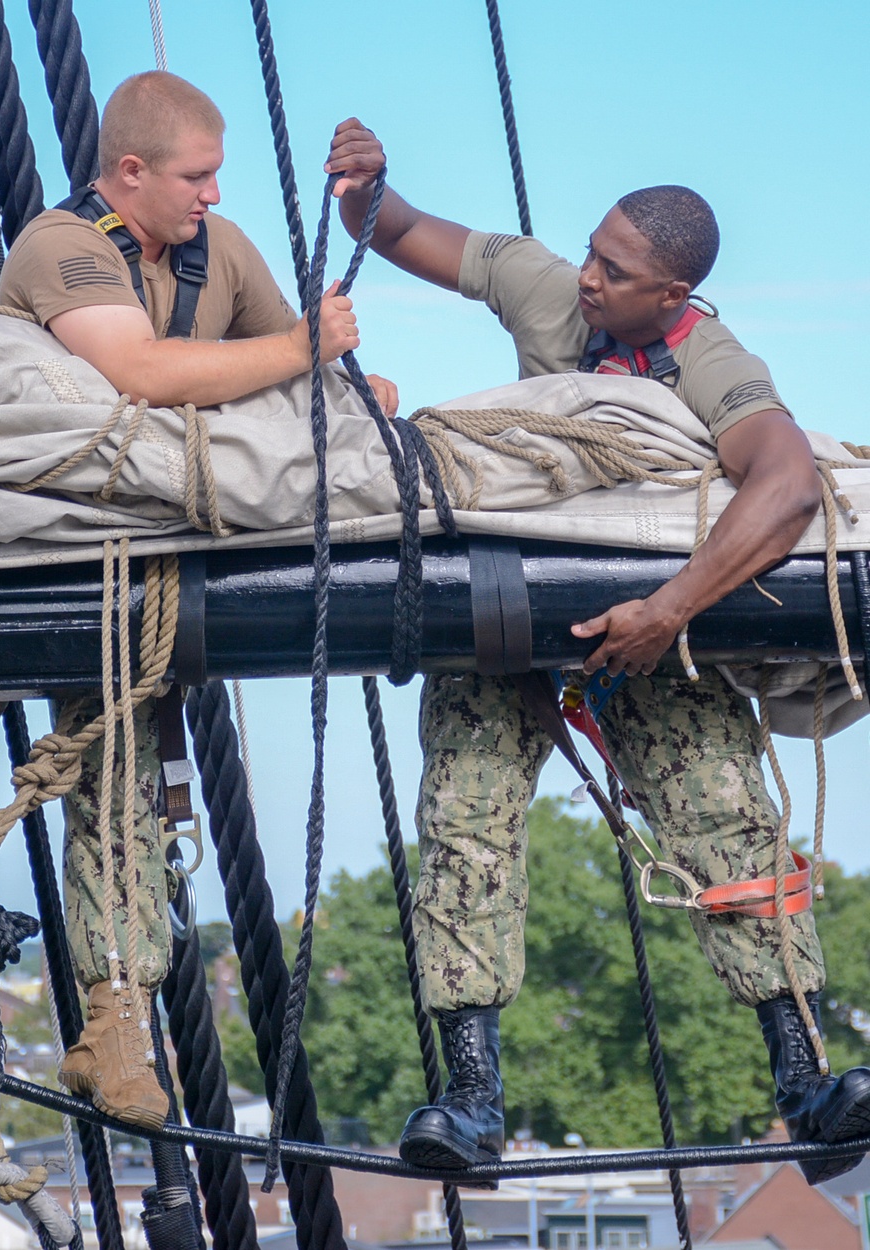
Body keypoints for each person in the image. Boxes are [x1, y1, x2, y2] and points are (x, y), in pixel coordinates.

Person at [325, 117, 870, 1184]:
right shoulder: (544, 288)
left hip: (644, 626)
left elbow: (786, 481)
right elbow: (390, 229)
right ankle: (470, 1097)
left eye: (613, 272)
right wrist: (366, 186)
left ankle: (804, 1079)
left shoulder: (711, 362)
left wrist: (666, 610)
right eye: (589, 249)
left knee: (724, 811)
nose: (585, 277)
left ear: (671, 298)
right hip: (508, 612)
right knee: (465, 819)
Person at [0, 73, 396, 1132]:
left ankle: (115, 1022)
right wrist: (305, 353)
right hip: (13, 540)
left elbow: (298, 377)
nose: (211, 194)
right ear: (130, 173)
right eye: (195, 176)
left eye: (215, 175)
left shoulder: (220, 250)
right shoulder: (62, 246)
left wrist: (342, 384)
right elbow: (138, 372)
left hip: (131, 557)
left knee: (117, 777)